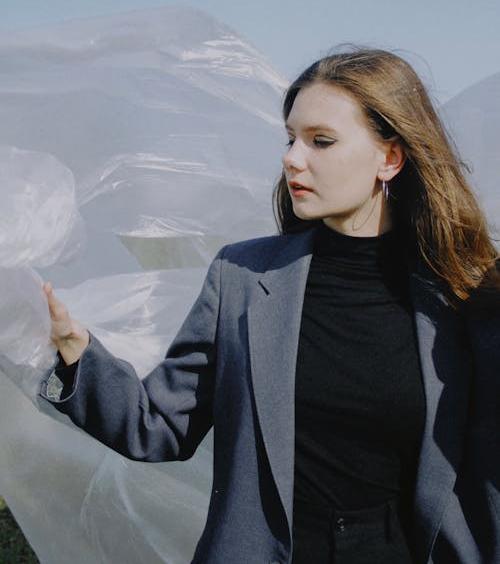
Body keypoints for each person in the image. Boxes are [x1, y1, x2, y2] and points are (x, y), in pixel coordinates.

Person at [41, 48, 500, 564]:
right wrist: (76, 353)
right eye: (291, 138)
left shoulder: (465, 296)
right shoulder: (242, 278)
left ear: (389, 158)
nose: (292, 158)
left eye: (320, 141)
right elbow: (160, 426)